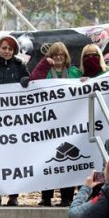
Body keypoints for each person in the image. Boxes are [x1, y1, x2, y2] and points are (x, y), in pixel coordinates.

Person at [30, 42, 82, 207]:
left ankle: (67, 197)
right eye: (54, 54)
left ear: (66, 56)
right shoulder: (45, 72)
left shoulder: (74, 72)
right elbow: (34, 81)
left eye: (61, 54)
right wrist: (44, 64)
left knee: (67, 163)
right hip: (48, 124)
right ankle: (46, 197)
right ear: (50, 57)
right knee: (49, 161)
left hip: (70, 123)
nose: (58, 57)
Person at [0, 35, 29, 207]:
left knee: (14, 159)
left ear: (14, 51)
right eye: (4, 48)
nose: (7, 51)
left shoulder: (20, 66)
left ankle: (13, 195)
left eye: (10, 48)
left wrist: (26, 81)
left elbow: (30, 86)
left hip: (14, 121)